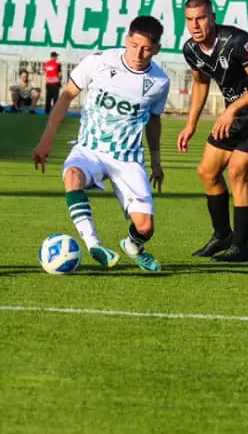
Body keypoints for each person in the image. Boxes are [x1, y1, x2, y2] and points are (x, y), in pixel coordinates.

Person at [32, 16, 169, 272]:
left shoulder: (160, 82)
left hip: (127, 158)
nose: (139, 53)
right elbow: (66, 97)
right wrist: (45, 141)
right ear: (127, 39)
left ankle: (133, 246)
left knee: (145, 227)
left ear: (157, 49)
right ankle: (94, 245)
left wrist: (157, 162)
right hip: (90, 148)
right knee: (72, 175)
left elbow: (154, 121)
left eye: (147, 48)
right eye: (135, 44)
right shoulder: (99, 62)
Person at [177, 0, 248, 263]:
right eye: (190, 20)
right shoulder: (191, 49)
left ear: (213, 17)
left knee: (237, 171)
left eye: (201, 18)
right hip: (235, 114)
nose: (195, 25)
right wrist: (190, 124)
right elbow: (201, 83)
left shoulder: (237, 41)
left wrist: (231, 110)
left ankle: (240, 247)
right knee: (207, 171)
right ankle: (222, 234)